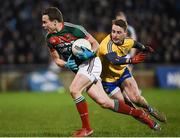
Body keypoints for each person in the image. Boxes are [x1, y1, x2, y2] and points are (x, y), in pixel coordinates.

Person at [42, 7, 160, 137]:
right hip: (81, 69)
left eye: (45, 22)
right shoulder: (50, 38)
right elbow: (56, 60)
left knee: (74, 90)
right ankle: (139, 114)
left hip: (91, 62)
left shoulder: (75, 29)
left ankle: (86, 129)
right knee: (105, 102)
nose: (43, 25)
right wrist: (66, 64)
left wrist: (88, 54)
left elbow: (95, 44)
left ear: (55, 22)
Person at [97, 19, 167, 124]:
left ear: (125, 33)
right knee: (127, 105)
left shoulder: (127, 41)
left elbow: (135, 44)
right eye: (113, 31)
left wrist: (144, 48)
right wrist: (131, 60)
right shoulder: (106, 45)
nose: (115, 35)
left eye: (119, 32)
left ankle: (150, 110)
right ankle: (151, 123)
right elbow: (114, 60)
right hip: (108, 80)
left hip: (122, 73)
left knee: (136, 98)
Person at [115, 12, 167, 122]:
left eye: (121, 18)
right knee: (124, 99)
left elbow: (133, 43)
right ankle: (144, 117)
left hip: (125, 62)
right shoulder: (113, 35)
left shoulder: (129, 31)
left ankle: (149, 109)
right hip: (115, 68)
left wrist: (131, 58)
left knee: (134, 97)